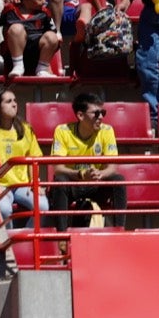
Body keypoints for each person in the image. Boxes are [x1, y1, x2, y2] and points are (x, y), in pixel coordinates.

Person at [49, 92, 125, 229]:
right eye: (96, 113)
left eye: (103, 112)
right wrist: (81, 174)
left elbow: (112, 167)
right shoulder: (62, 131)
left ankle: (120, 230)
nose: (101, 117)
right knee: (59, 181)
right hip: (73, 183)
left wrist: (101, 174)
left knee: (118, 180)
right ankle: (62, 238)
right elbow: (58, 168)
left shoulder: (107, 130)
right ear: (80, 115)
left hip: (96, 183)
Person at [0, 89, 47, 223]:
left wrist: (35, 184)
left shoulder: (26, 129)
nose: (14, 104)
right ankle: (7, 242)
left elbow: (34, 158)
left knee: (43, 206)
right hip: (0, 185)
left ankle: (26, 240)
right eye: (8, 101)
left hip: (23, 185)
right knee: (4, 210)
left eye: (15, 100)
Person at [0, 0, 63, 78]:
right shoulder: (10, 10)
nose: (44, 1)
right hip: (13, 56)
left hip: (36, 56)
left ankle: (42, 70)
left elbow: (53, 37)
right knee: (16, 29)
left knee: (52, 36)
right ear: (26, 0)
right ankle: (18, 67)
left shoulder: (44, 13)